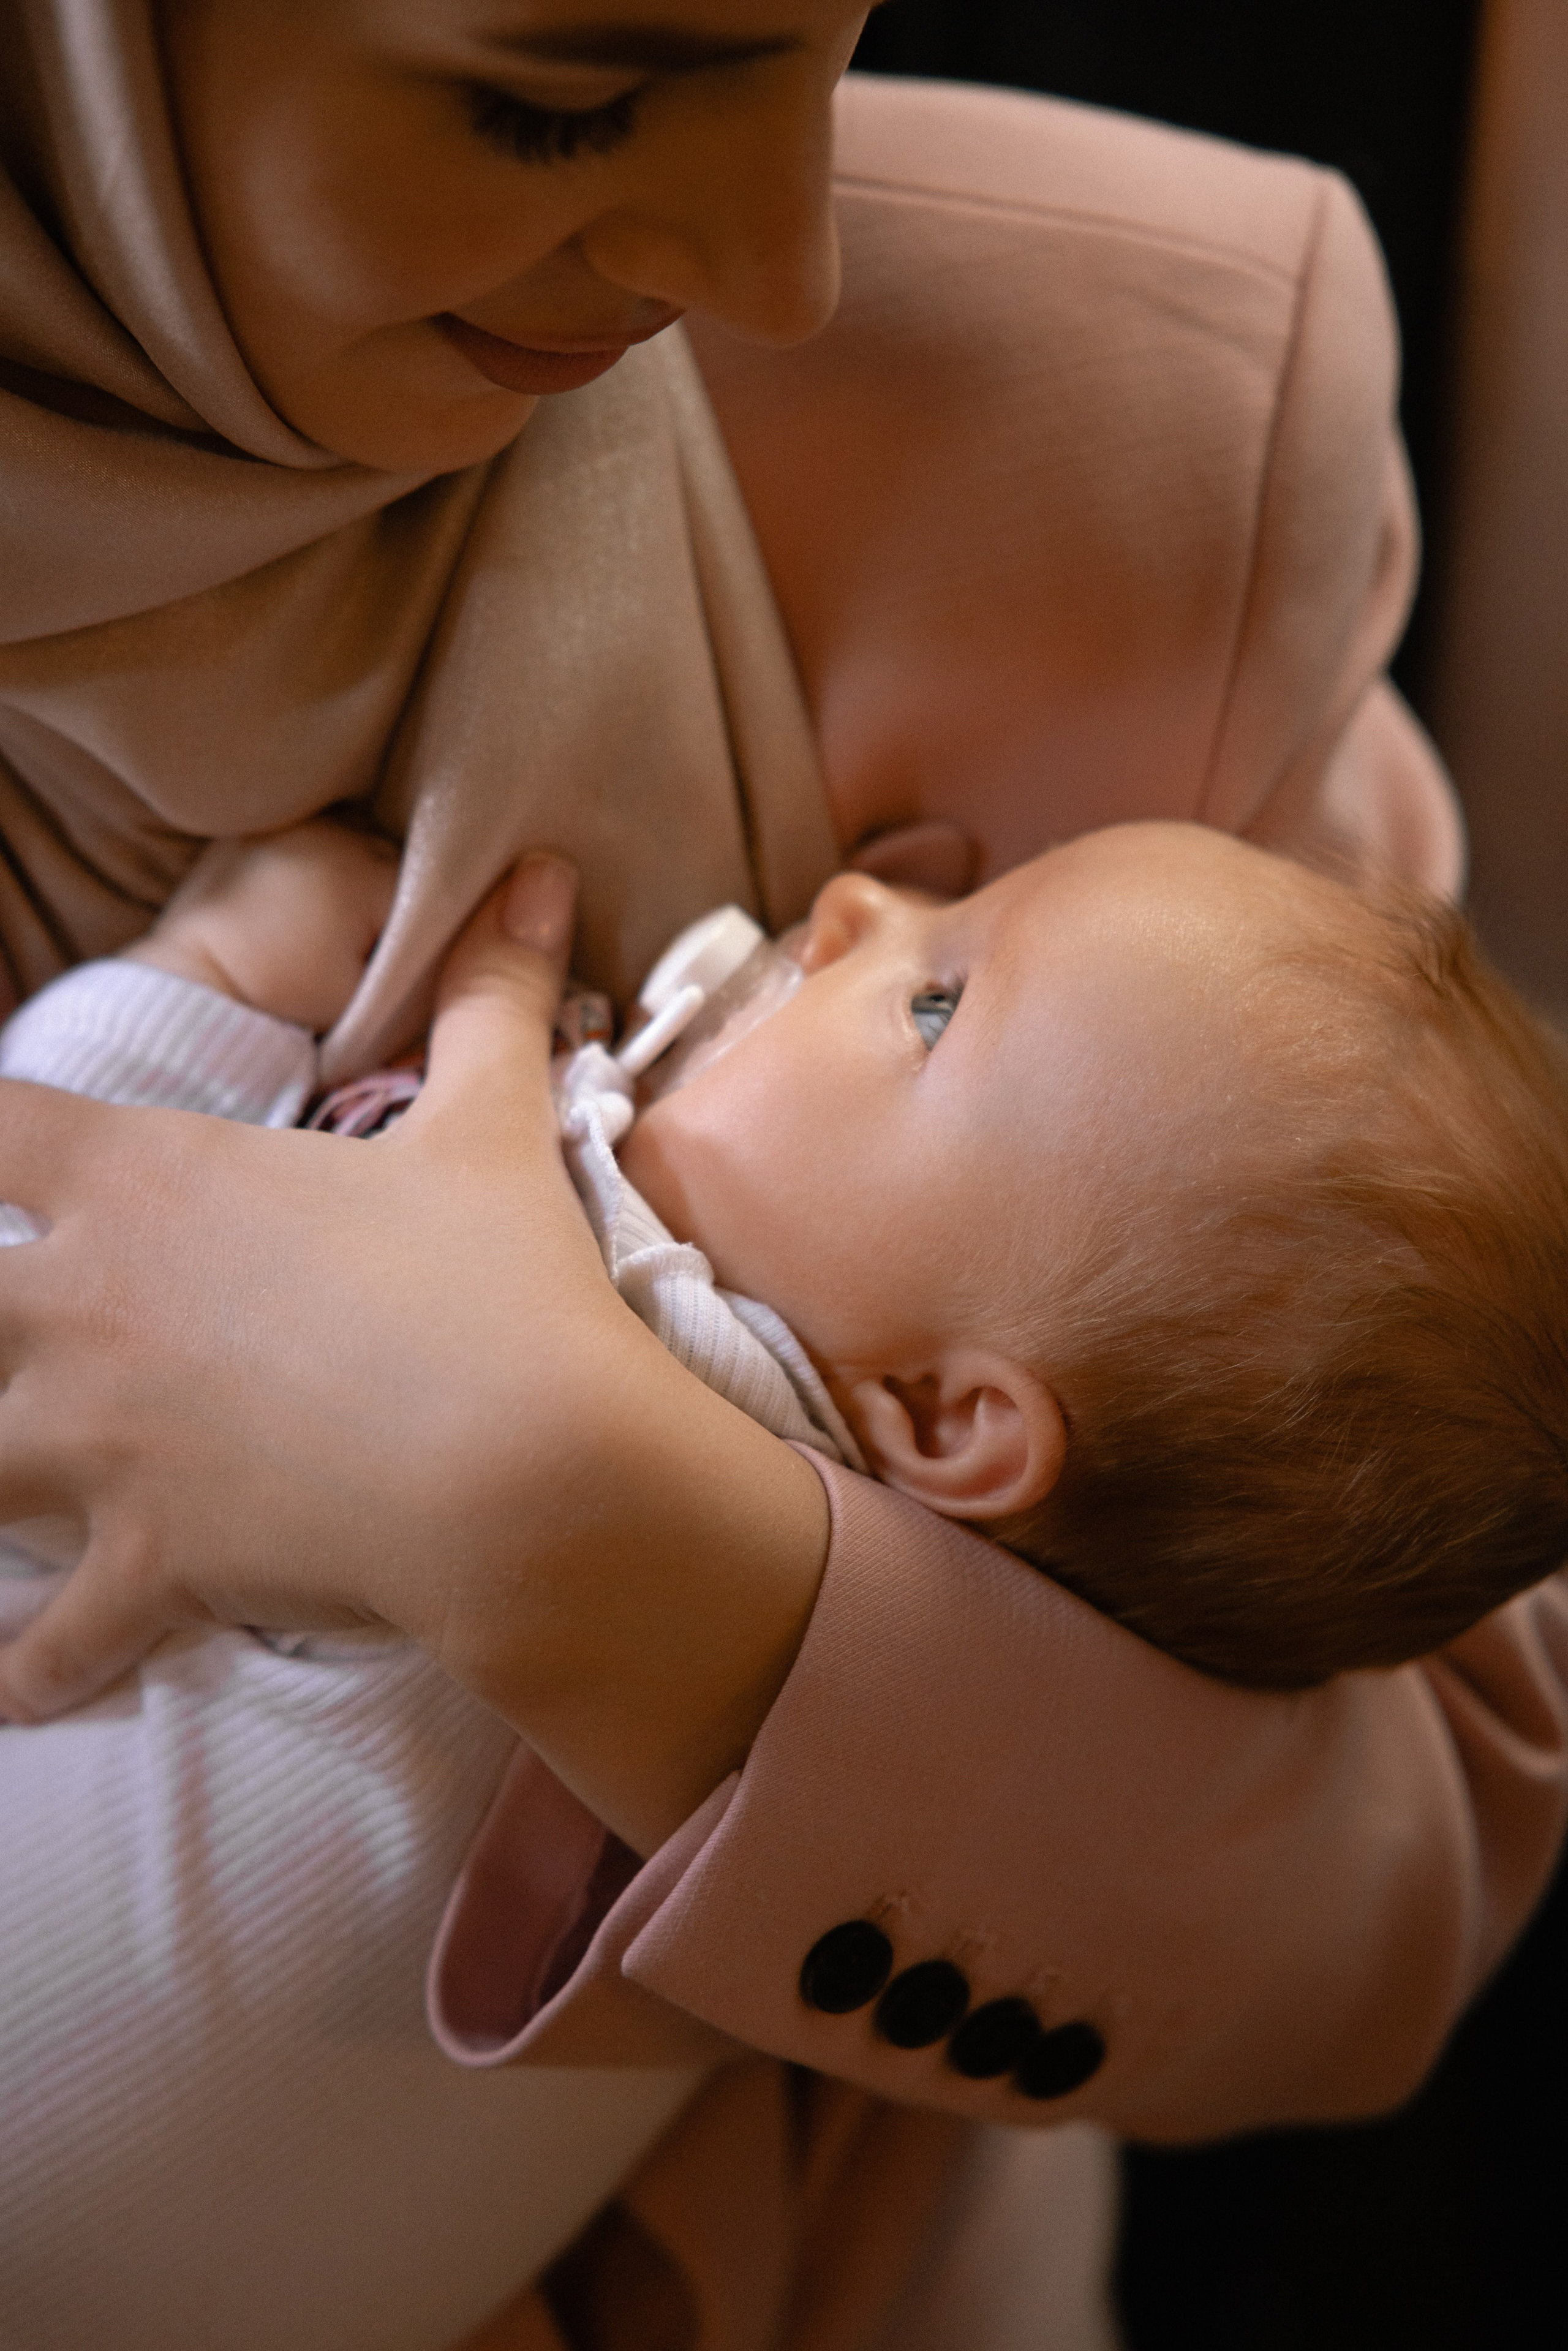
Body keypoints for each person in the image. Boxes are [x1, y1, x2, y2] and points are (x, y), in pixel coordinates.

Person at [1, 5, 1566, 2349]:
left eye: (822, 48)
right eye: (557, 101)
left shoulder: (1135, 448)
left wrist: (610, 1543)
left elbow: (1407, 1833)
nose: (780, 263)